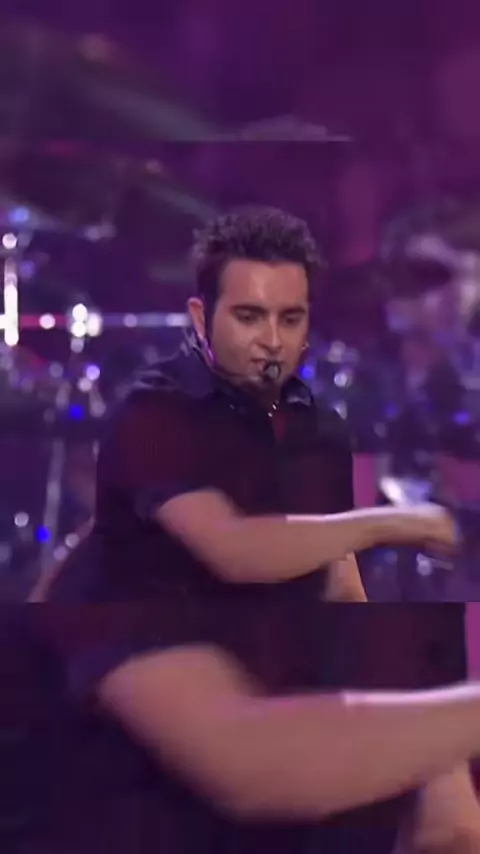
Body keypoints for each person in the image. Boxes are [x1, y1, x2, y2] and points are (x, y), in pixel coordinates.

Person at [41, 207, 480, 852]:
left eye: (290, 320)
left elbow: (450, 824)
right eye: (248, 317)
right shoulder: (113, 572)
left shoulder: (315, 558)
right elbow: (250, 764)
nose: (271, 344)